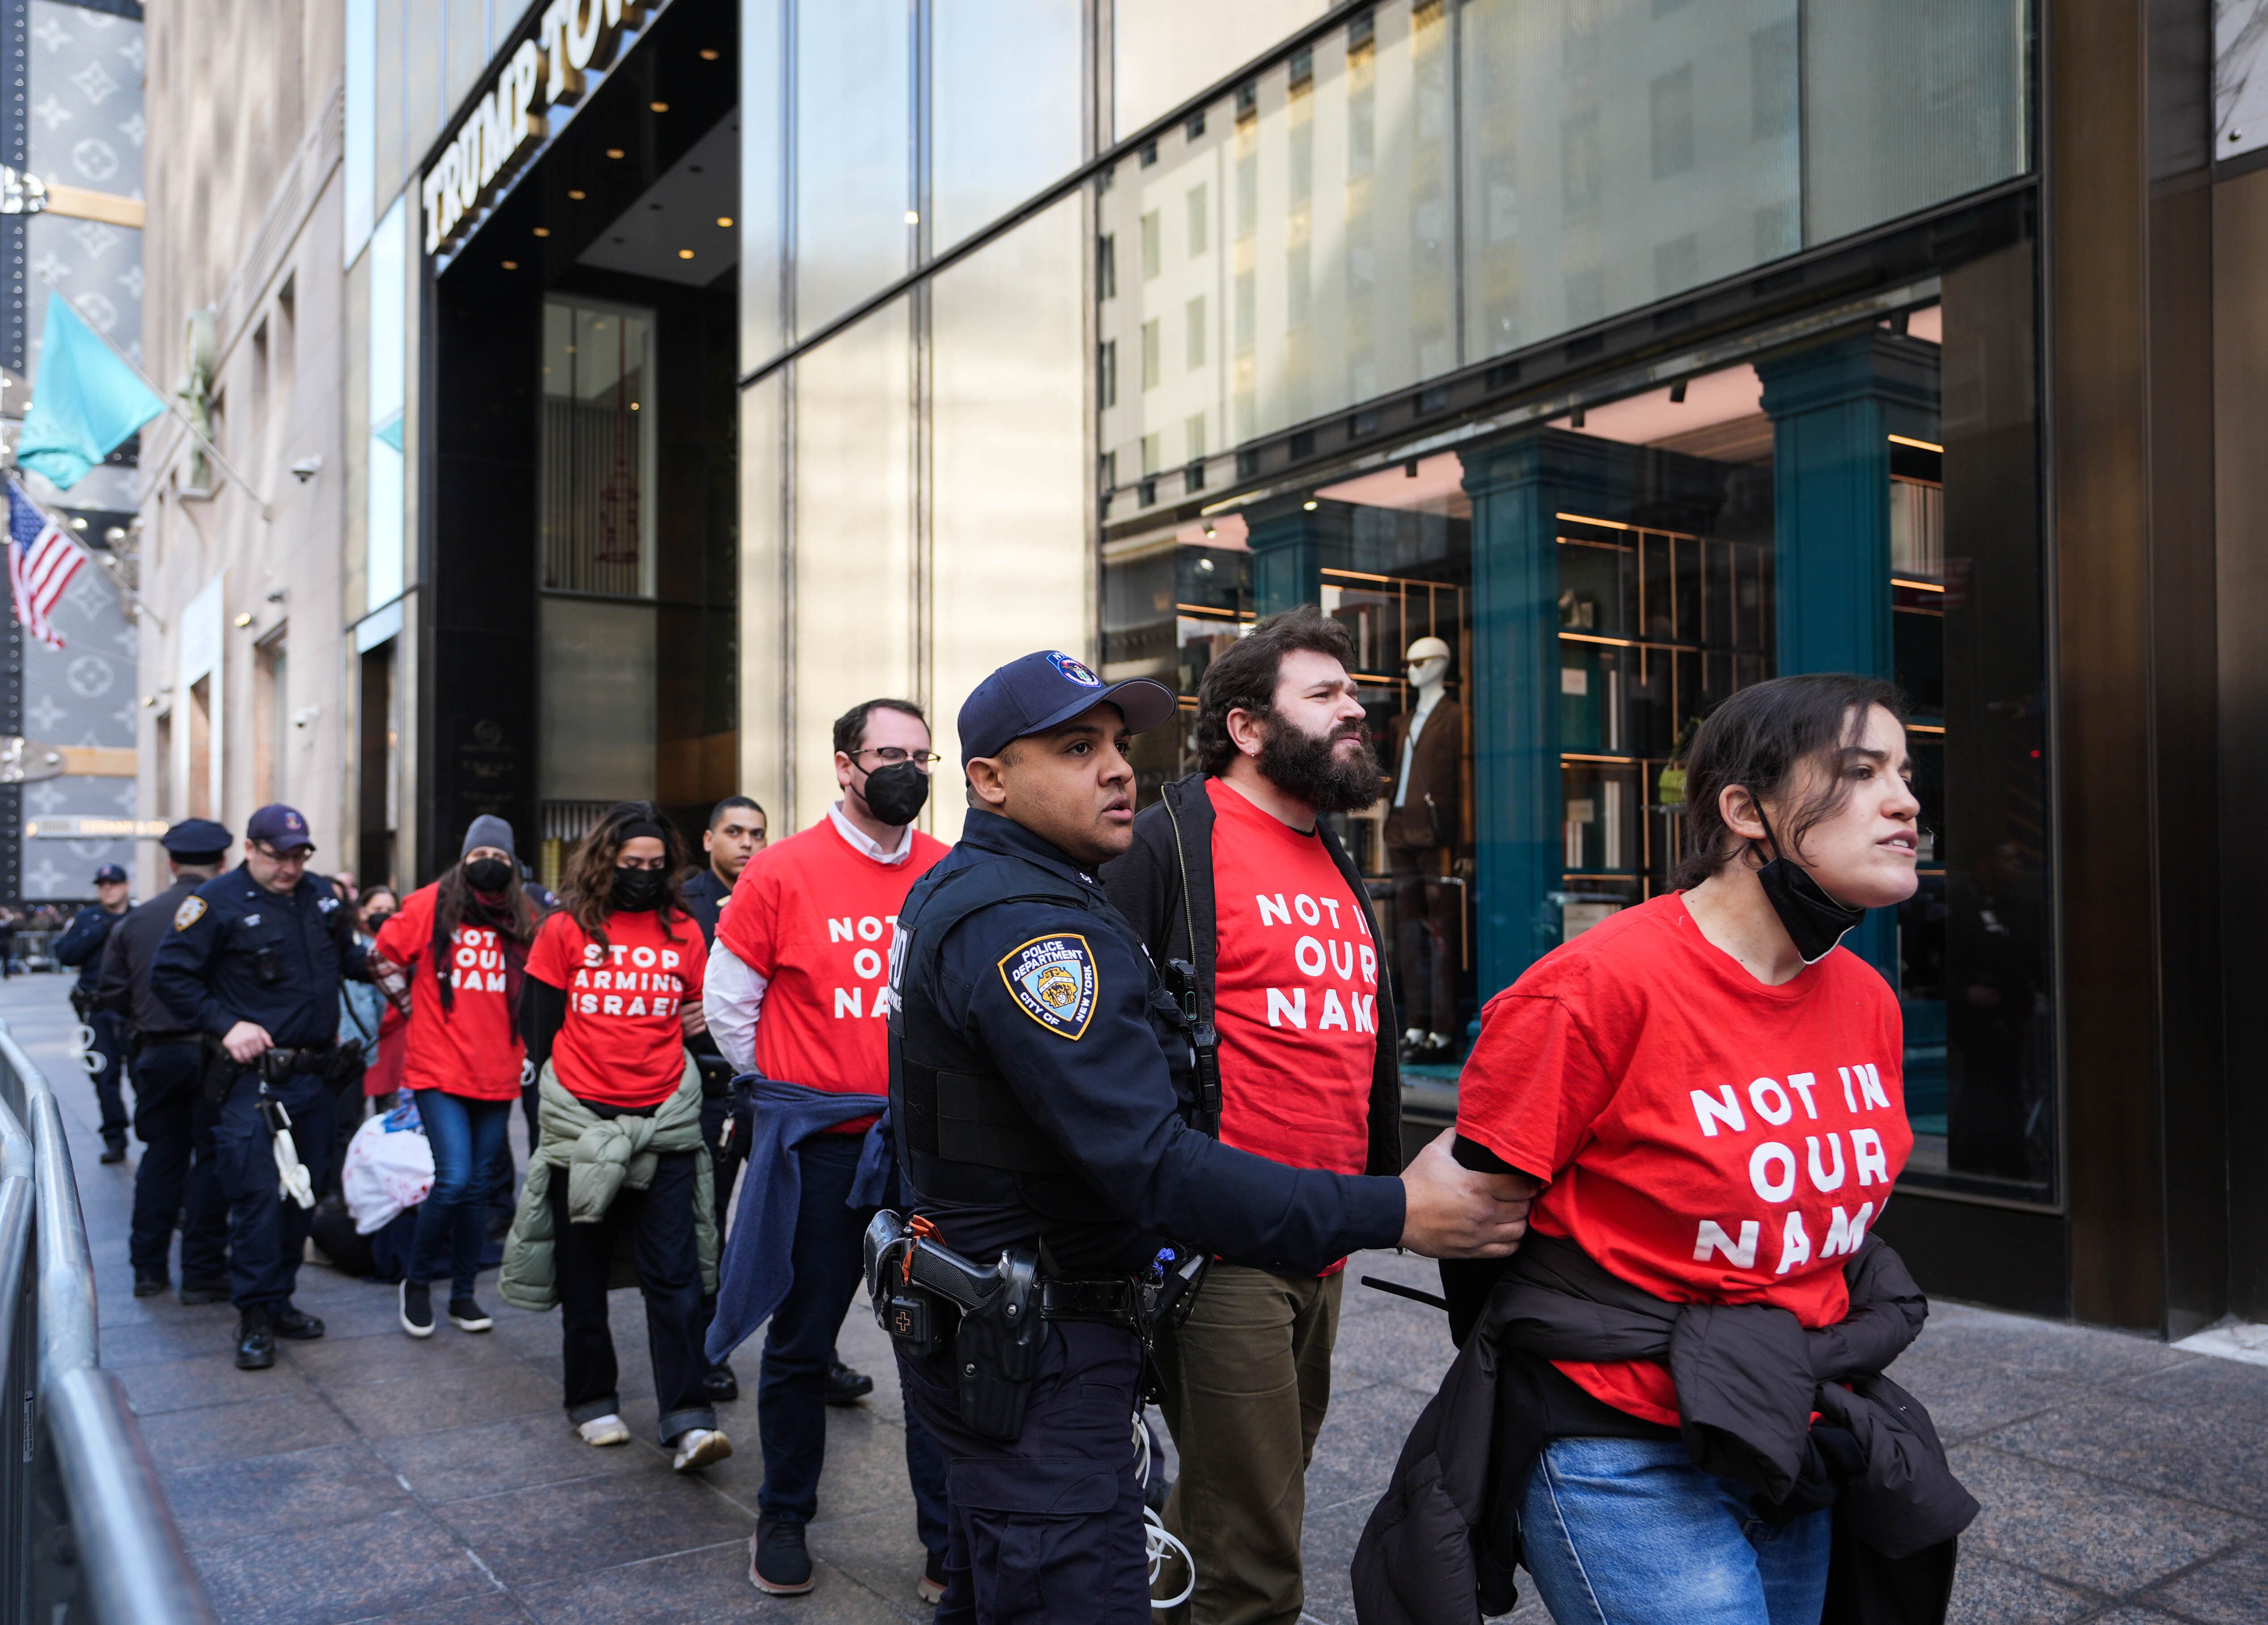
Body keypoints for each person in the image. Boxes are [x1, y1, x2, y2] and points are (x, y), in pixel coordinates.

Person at [881, 650, 1534, 1625]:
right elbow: (1149, 1160)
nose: (1114, 768)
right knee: (1111, 1582)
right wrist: (1400, 1208)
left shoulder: (1015, 891)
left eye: (1115, 744)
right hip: (1047, 1330)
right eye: (1074, 746)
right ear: (989, 778)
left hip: (1038, 1317)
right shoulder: (1037, 926)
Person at [1403, 674, 1940, 1625]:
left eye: (1904, 770)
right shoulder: (1595, 987)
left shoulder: (1869, 1000)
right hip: (1619, 1443)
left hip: (1790, 1418)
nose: (1906, 799)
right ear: (1745, 810)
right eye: (1861, 772)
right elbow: (1474, 1224)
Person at [1100, 607, 1403, 1625]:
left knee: (1236, 1504)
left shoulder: (1330, 855)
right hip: (1219, 1247)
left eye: (1352, 691)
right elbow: (1099, 1038)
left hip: (1324, 1240)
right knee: (1260, 1562)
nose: (1353, 707)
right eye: (1323, 694)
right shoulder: (1167, 844)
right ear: (1245, 725)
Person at [704, 701, 951, 1601]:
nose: (911, 770)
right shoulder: (780, 871)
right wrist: (797, 1092)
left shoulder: (949, 869)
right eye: (893, 753)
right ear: (846, 765)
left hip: (924, 1154)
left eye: (925, 756)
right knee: (802, 1342)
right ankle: (783, 1518)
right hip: (821, 1153)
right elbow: (730, 1003)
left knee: (934, 1348)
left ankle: (946, 1542)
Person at [504, 800, 729, 1473]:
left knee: (676, 1276)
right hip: (584, 1123)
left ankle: (688, 1418)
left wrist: (702, 1019)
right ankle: (591, 1400)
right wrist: (558, 1106)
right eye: (631, 864)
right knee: (584, 1272)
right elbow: (538, 1027)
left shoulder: (684, 930)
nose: (643, 875)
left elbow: (700, 1014)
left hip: (663, 1123)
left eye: (655, 866)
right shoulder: (564, 928)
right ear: (606, 860)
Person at [150, 804, 370, 1369]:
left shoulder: (320, 895)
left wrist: (384, 959)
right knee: (255, 1197)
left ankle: (280, 1300)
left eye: (300, 856)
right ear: (250, 849)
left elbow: (344, 956)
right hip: (256, 1081)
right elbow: (170, 976)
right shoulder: (214, 903)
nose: (290, 867)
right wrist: (227, 1024)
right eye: (278, 856)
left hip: (318, 1074)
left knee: (304, 1192)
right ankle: (252, 1313)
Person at [373, 817, 539, 1340]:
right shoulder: (430, 904)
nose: (487, 861)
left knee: (478, 1192)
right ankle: (417, 1283)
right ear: (462, 858)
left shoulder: (524, 913)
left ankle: (464, 1295)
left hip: (498, 1071)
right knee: (455, 1180)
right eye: (477, 852)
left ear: (513, 863)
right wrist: (411, 1007)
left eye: (498, 853)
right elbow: (381, 956)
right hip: (438, 1069)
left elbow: (543, 977)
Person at [97, 819, 233, 1302]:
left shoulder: (136, 920)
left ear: (171, 863)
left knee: (162, 1158)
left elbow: (110, 991)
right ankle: (201, 1271)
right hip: (215, 1053)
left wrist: (145, 1016)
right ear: (223, 862)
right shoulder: (226, 910)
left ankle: (149, 1269)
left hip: (157, 1052)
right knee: (211, 1161)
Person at [57, 862, 135, 1162]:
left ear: (126, 886)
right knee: (104, 1075)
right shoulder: (88, 919)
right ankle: (115, 1137)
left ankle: (151, 1134)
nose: (108, 889)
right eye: (103, 885)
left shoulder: (138, 916)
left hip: (133, 1011)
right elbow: (65, 954)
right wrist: (100, 931)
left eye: (113, 884)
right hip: (97, 1011)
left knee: (143, 1075)